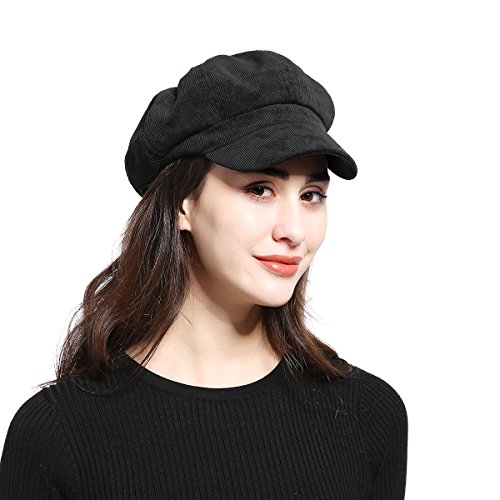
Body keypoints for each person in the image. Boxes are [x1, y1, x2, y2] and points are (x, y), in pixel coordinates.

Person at [0, 50, 408, 499]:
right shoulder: (59, 435)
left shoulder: (368, 417)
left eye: (311, 195)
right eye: (260, 189)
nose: (294, 231)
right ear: (183, 205)